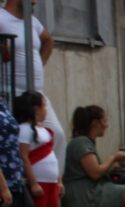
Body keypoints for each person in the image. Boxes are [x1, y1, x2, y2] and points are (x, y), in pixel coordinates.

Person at [0, 0, 66, 172]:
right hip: (12, 91)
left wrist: (39, 64)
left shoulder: (32, 22)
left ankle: (54, 180)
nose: (35, 2)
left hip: (36, 93)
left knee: (56, 133)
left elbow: (48, 40)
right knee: (19, 137)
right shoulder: (1, 18)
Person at [14, 90, 68, 207]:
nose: (46, 110)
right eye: (44, 106)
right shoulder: (25, 130)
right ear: (35, 108)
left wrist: (59, 180)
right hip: (39, 183)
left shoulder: (44, 130)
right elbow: (24, 156)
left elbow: (52, 156)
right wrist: (34, 182)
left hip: (51, 182)